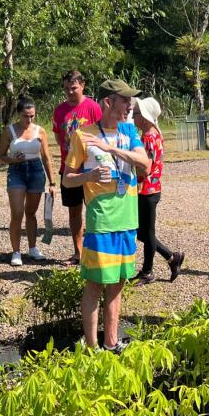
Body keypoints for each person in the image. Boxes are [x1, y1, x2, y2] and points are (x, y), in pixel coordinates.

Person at [63, 79, 150, 351]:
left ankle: (111, 343)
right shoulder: (83, 135)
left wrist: (112, 149)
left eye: (130, 100)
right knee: (95, 285)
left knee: (118, 283)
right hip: (102, 221)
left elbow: (145, 163)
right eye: (124, 100)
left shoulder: (129, 130)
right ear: (108, 102)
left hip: (128, 219)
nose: (129, 105)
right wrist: (88, 176)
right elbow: (67, 179)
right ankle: (92, 349)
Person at [0, 97, 56, 265]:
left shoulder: (40, 131)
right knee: (17, 213)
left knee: (31, 212)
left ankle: (32, 248)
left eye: (32, 116)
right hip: (16, 171)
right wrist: (13, 159)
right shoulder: (9, 131)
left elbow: (46, 158)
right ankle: (16, 252)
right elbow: (1, 157)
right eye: (25, 116)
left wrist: (52, 183)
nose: (29, 120)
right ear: (19, 114)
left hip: (36, 171)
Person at [52, 71, 103, 265]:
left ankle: (96, 252)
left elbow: (102, 134)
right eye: (66, 88)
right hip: (69, 169)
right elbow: (58, 136)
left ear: (83, 85)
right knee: (74, 212)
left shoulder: (93, 107)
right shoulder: (60, 110)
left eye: (73, 88)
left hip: (91, 168)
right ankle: (78, 252)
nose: (70, 92)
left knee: (95, 210)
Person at [132, 97, 184, 285]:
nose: (133, 117)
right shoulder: (154, 134)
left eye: (135, 114)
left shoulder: (149, 137)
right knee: (143, 232)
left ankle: (148, 271)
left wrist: (127, 168)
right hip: (150, 189)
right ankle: (172, 257)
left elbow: (145, 168)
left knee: (146, 233)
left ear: (145, 116)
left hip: (147, 190)